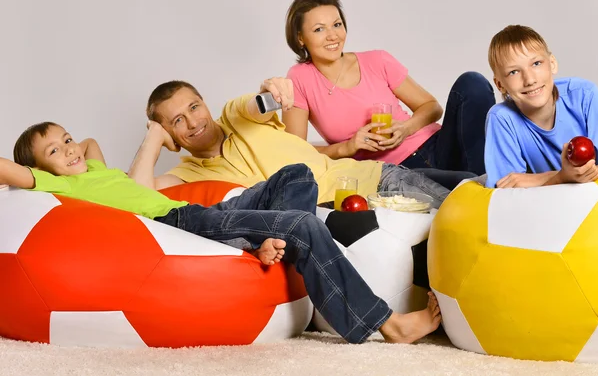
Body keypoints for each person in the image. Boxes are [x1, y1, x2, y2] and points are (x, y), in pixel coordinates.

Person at [2, 121, 441, 344]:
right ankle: (385, 324)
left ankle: (278, 243)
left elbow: (92, 145)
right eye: (55, 151)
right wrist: (33, 168)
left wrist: (78, 146)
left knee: (297, 173)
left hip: (200, 211)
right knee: (303, 223)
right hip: (179, 225)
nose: (70, 150)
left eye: (67, 139)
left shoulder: (89, 164)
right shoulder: (55, 182)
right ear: (39, 169)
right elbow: (10, 170)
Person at [282, 0, 496, 188]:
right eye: (319, 29)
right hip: (398, 171)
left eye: (337, 25)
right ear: (300, 38)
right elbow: (294, 151)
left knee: (472, 82)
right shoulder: (299, 78)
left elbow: (432, 107)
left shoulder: (377, 60)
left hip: (438, 145)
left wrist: (405, 128)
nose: (332, 36)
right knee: (462, 182)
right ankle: (480, 187)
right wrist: (346, 148)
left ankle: (483, 186)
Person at [128, 78, 450, 207]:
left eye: (194, 107)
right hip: (329, 214)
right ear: (171, 135)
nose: (193, 122)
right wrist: (154, 136)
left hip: (374, 181)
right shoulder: (190, 174)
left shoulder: (235, 114)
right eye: (177, 121)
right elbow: (136, 197)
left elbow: (259, 103)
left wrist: (273, 90)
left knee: (463, 208)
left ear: (205, 103)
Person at [484, 24, 598, 188]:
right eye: (513, 72)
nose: (530, 80)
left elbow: (520, 183)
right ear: (500, 84)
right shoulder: (501, 118)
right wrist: (561, 177)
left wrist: (548, 178)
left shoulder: (584, 95)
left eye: (536, 63)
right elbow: (505, 191)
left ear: (552, 63)